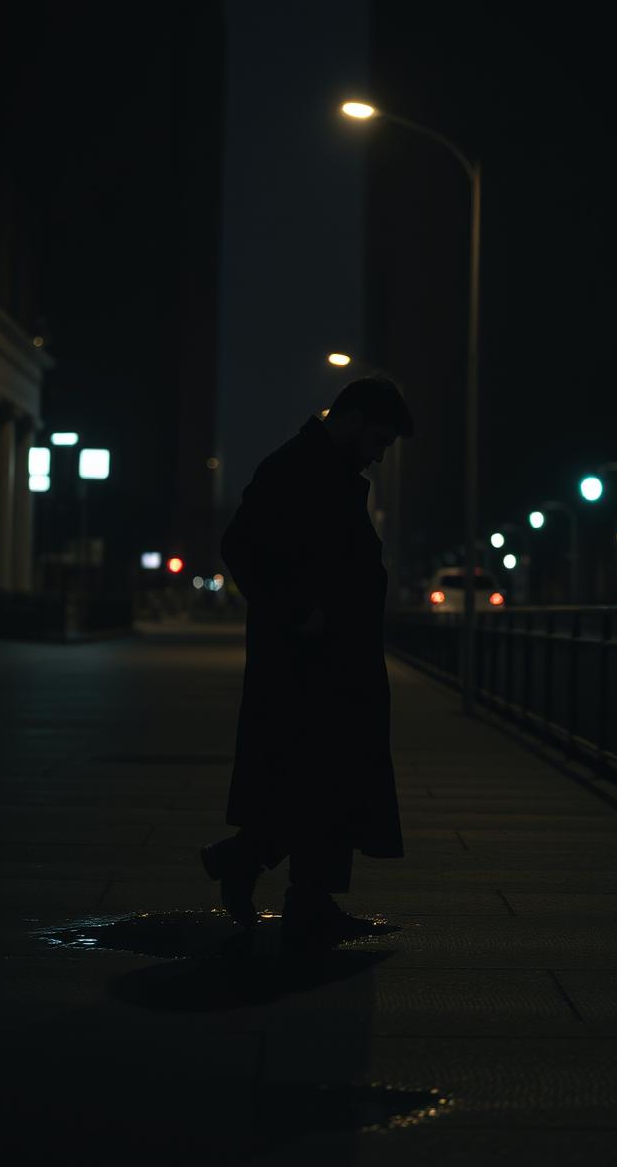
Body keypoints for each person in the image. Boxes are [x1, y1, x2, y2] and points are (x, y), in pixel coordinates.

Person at [201, 375, 414, 946]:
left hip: (327, 659)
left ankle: (279, 881)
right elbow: (240, 545)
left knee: (324, 780)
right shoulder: (297, 468)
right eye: (380, 439)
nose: (380, 452)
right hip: (310, 662)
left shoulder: (324, 469)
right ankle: (280, 883)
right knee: (322, 776)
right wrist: (299, 613)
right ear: (350, 420)